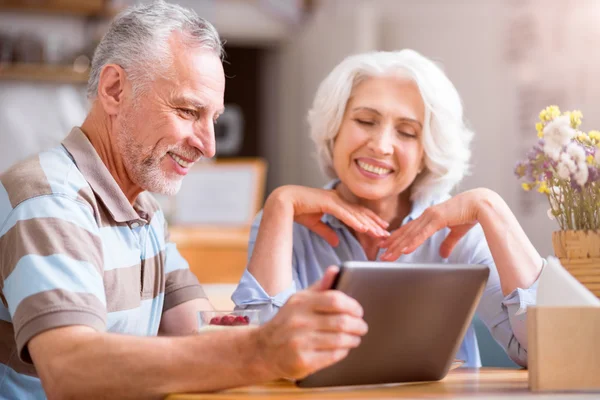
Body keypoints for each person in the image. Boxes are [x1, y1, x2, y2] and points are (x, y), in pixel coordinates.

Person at [0, 2, 393, 398]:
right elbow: (71, 370)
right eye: (188, 111)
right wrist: (263, 349)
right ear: (114, 89)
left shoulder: (143, 210)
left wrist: (294, 322)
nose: (207, 145)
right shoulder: (50, 200)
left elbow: (204, 332)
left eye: (213, 119)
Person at [232, 49, 544, 368]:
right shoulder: (287, 224)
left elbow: (546, 351)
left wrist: (490, 207)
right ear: (334, 128)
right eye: (366, 121)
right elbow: (262, 355)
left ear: (427, 152)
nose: (381, 146)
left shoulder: (459, 231)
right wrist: (280, 203)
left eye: (407, 132)